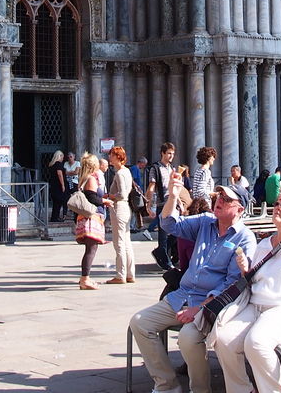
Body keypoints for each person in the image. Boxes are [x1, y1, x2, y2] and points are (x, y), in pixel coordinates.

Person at [129, 181, 254, 393]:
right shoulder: (206, 221)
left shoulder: (244, 238)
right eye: (218, 196)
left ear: (240, 209)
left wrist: (199, 309)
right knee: (140, 322)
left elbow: (232, 285)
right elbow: (169, 225)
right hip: (183, 295)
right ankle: (167, 386)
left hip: (212, 306)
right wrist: (172, 195)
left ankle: (200, 389)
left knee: (187, 338)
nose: (219, 201)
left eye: (226, 199)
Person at [213, 190, 281, 393]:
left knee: (256, 343)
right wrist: (245, 270)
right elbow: (256, 280)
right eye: (277, 203)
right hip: (257, 306)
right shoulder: (264, 244)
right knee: (223, 338)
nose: (278, 207)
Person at [74, 153, 108, 290]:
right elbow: (92, 197)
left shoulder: (84, 178)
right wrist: (105, 201)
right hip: (91, 218)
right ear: (94, 165)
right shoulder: (91, 178)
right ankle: (85, 279)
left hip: (86, 217)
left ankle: (85, 278)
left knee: (90, 248)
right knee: (91, 249)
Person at [105, 147, 136, 284]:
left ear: (118, 157)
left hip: (119, 208)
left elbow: (122, 194)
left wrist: (109, 196)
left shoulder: (119, 174)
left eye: (112, 155)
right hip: (125, 208)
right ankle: (130, 274)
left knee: (119, 243)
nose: (110, 157)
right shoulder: (126, 171)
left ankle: (120, 275)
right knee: (126, 242)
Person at [145, 142, 178, 270]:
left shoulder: (172, 168)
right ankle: (165, 260)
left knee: (176, 231)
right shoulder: (155, 168)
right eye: (169, 153)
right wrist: (149, 205)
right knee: (163, 234)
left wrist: (180, 203)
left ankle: (162, 252)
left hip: (173, 203)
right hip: (162, 204)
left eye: (173, 154)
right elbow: (151, 187)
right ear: (162, 153)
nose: (171, 156)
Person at [46, 151, 67, 223]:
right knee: (59, 202)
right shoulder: (58, 164)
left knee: (55, 202)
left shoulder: (52, 164)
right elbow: (59, 174)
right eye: (62, 157)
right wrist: (63, 185)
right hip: (58, 185)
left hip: (53, 185)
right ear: (59, 156)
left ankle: (54, 217)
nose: (62, 159)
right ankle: (55, 217)